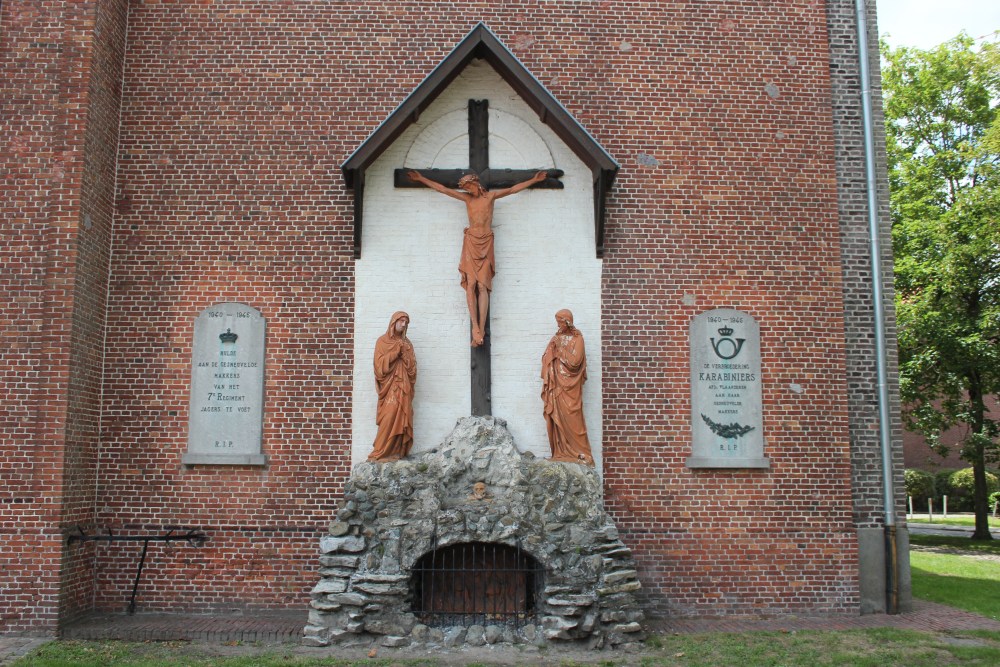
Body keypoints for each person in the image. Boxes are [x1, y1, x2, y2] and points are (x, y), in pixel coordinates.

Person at [407, 169, 547, 347]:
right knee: (471, 285)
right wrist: (421, 178)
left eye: (468, 187)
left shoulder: (490, 197)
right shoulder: (467, 199)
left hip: (486, 242)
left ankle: (481, 327)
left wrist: (533, 180)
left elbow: (513, 190)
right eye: (464, 188)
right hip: (471, 242)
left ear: (475, 184)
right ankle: (475, 327)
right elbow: (443, 189)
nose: (467, 191)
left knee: (482, 286)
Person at [541, 309, 594, 465]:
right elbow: (546, 359)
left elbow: (575, 361)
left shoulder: (578, 340)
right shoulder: (556, 338)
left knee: (574, 417)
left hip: (571, 387)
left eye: (560, 322)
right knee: (557, 417)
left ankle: (581, 453)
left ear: (567, 322)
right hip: (556, 385)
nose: (558, 325)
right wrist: (551, 351)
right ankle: (561, 451)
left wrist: (560, 349)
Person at [369, 311, 417, 462]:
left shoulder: (407, 344)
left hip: (404, 387)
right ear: (393, 322)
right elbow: (378, 367)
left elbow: (413, 369)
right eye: (401, 321)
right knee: (389, 416)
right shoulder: (382, 342)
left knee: (403, 416)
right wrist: (395, 353)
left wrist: (405, 356)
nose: (404, 324)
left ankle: (396, 451)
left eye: (406, 322)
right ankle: (380, 451)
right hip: (390, 388)